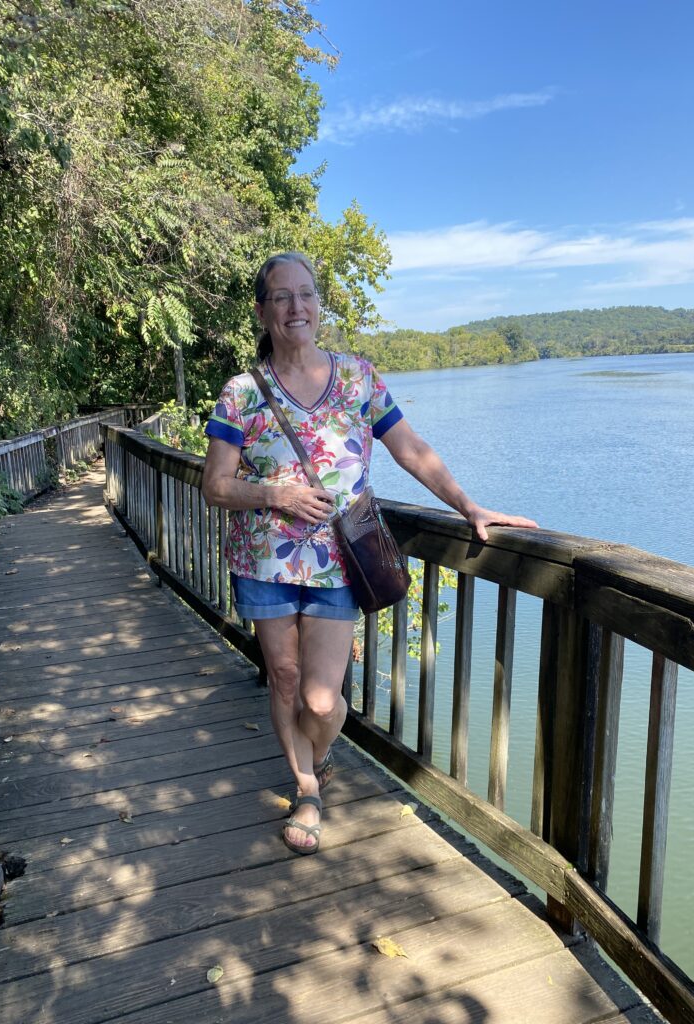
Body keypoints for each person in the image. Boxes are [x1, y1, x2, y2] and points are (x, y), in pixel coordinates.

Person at [201, 252, 538, 855]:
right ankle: (307, 786)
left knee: (322, 698)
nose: (296, 307)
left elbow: (410, 449)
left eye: (306, 294)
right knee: (282, 676)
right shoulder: (240, 394)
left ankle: (317, 753)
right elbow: (215, 486)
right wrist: (275, 493)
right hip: (262, 560)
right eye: (281, 296)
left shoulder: (358, 377)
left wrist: (471, 507)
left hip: (340, 562)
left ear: (319, 304)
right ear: (262, 309)